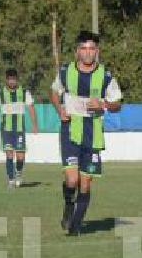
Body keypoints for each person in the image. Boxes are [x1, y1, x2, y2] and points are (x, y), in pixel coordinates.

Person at [48, 31, 123, 236]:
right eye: (84, 48)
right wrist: (60, 109)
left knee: (86, 182)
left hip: (93, 134)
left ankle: (76, 225)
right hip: (70, 131)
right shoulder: (66, 72)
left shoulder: (105, 76)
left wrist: (104, 104)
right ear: (77, 51)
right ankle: (68, 206)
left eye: (92, 49)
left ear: (97, 51)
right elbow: (54, 92)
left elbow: (118, 105)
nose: (88, 53)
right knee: (71, 180)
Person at [0, 69, 39, 188]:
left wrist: (34, 124)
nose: (12, 81)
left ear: (17, 79)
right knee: (9, 154)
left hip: (19, 130)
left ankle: (19, 173)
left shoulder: (24, 92)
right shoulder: (0, 94)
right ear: (6, 80)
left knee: (20, 155)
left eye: (14, 79)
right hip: (7, 130)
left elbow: (31, 108)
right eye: (10, 79)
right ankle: (11, 180)